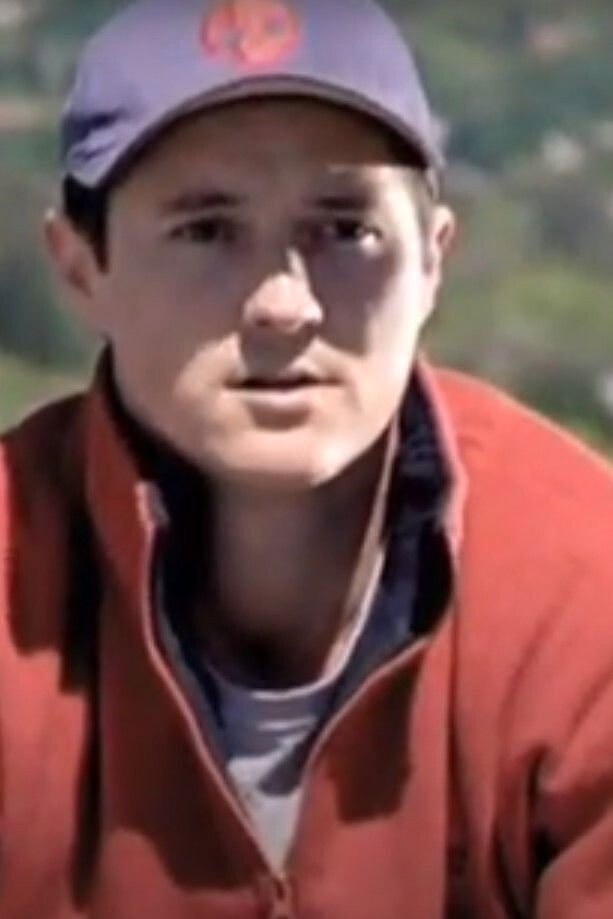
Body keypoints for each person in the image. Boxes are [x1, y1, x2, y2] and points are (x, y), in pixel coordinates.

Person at [2, 0, 613, 916]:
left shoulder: (582, 590)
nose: (283, 305)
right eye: (206, 229)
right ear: (82, 265)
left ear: (432, 261)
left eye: (343, 229)